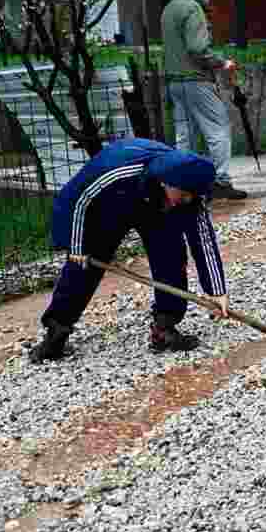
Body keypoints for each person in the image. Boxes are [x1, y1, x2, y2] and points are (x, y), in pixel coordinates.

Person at [29, 138, 230, 364]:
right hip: (110, 204)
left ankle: (164, 327)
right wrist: (75, 245)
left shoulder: (190, 196)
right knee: (83, 264)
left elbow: (203, 240)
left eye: (191, 197)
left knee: (171, 256)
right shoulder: (116, 170)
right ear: (166, 182)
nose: (186, 200)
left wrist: (217, 291)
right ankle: (57, 332)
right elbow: (76, 199)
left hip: (156, 209)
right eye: (183, 195)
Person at [162, 0, 248, 200]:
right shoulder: (193, 9)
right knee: (218, 129)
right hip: (196, 81)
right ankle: (221, 181)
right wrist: (222, 62)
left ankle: (183, 184)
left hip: (173, 81)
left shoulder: (170, 7)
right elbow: (197, 48)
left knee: (184, 134)